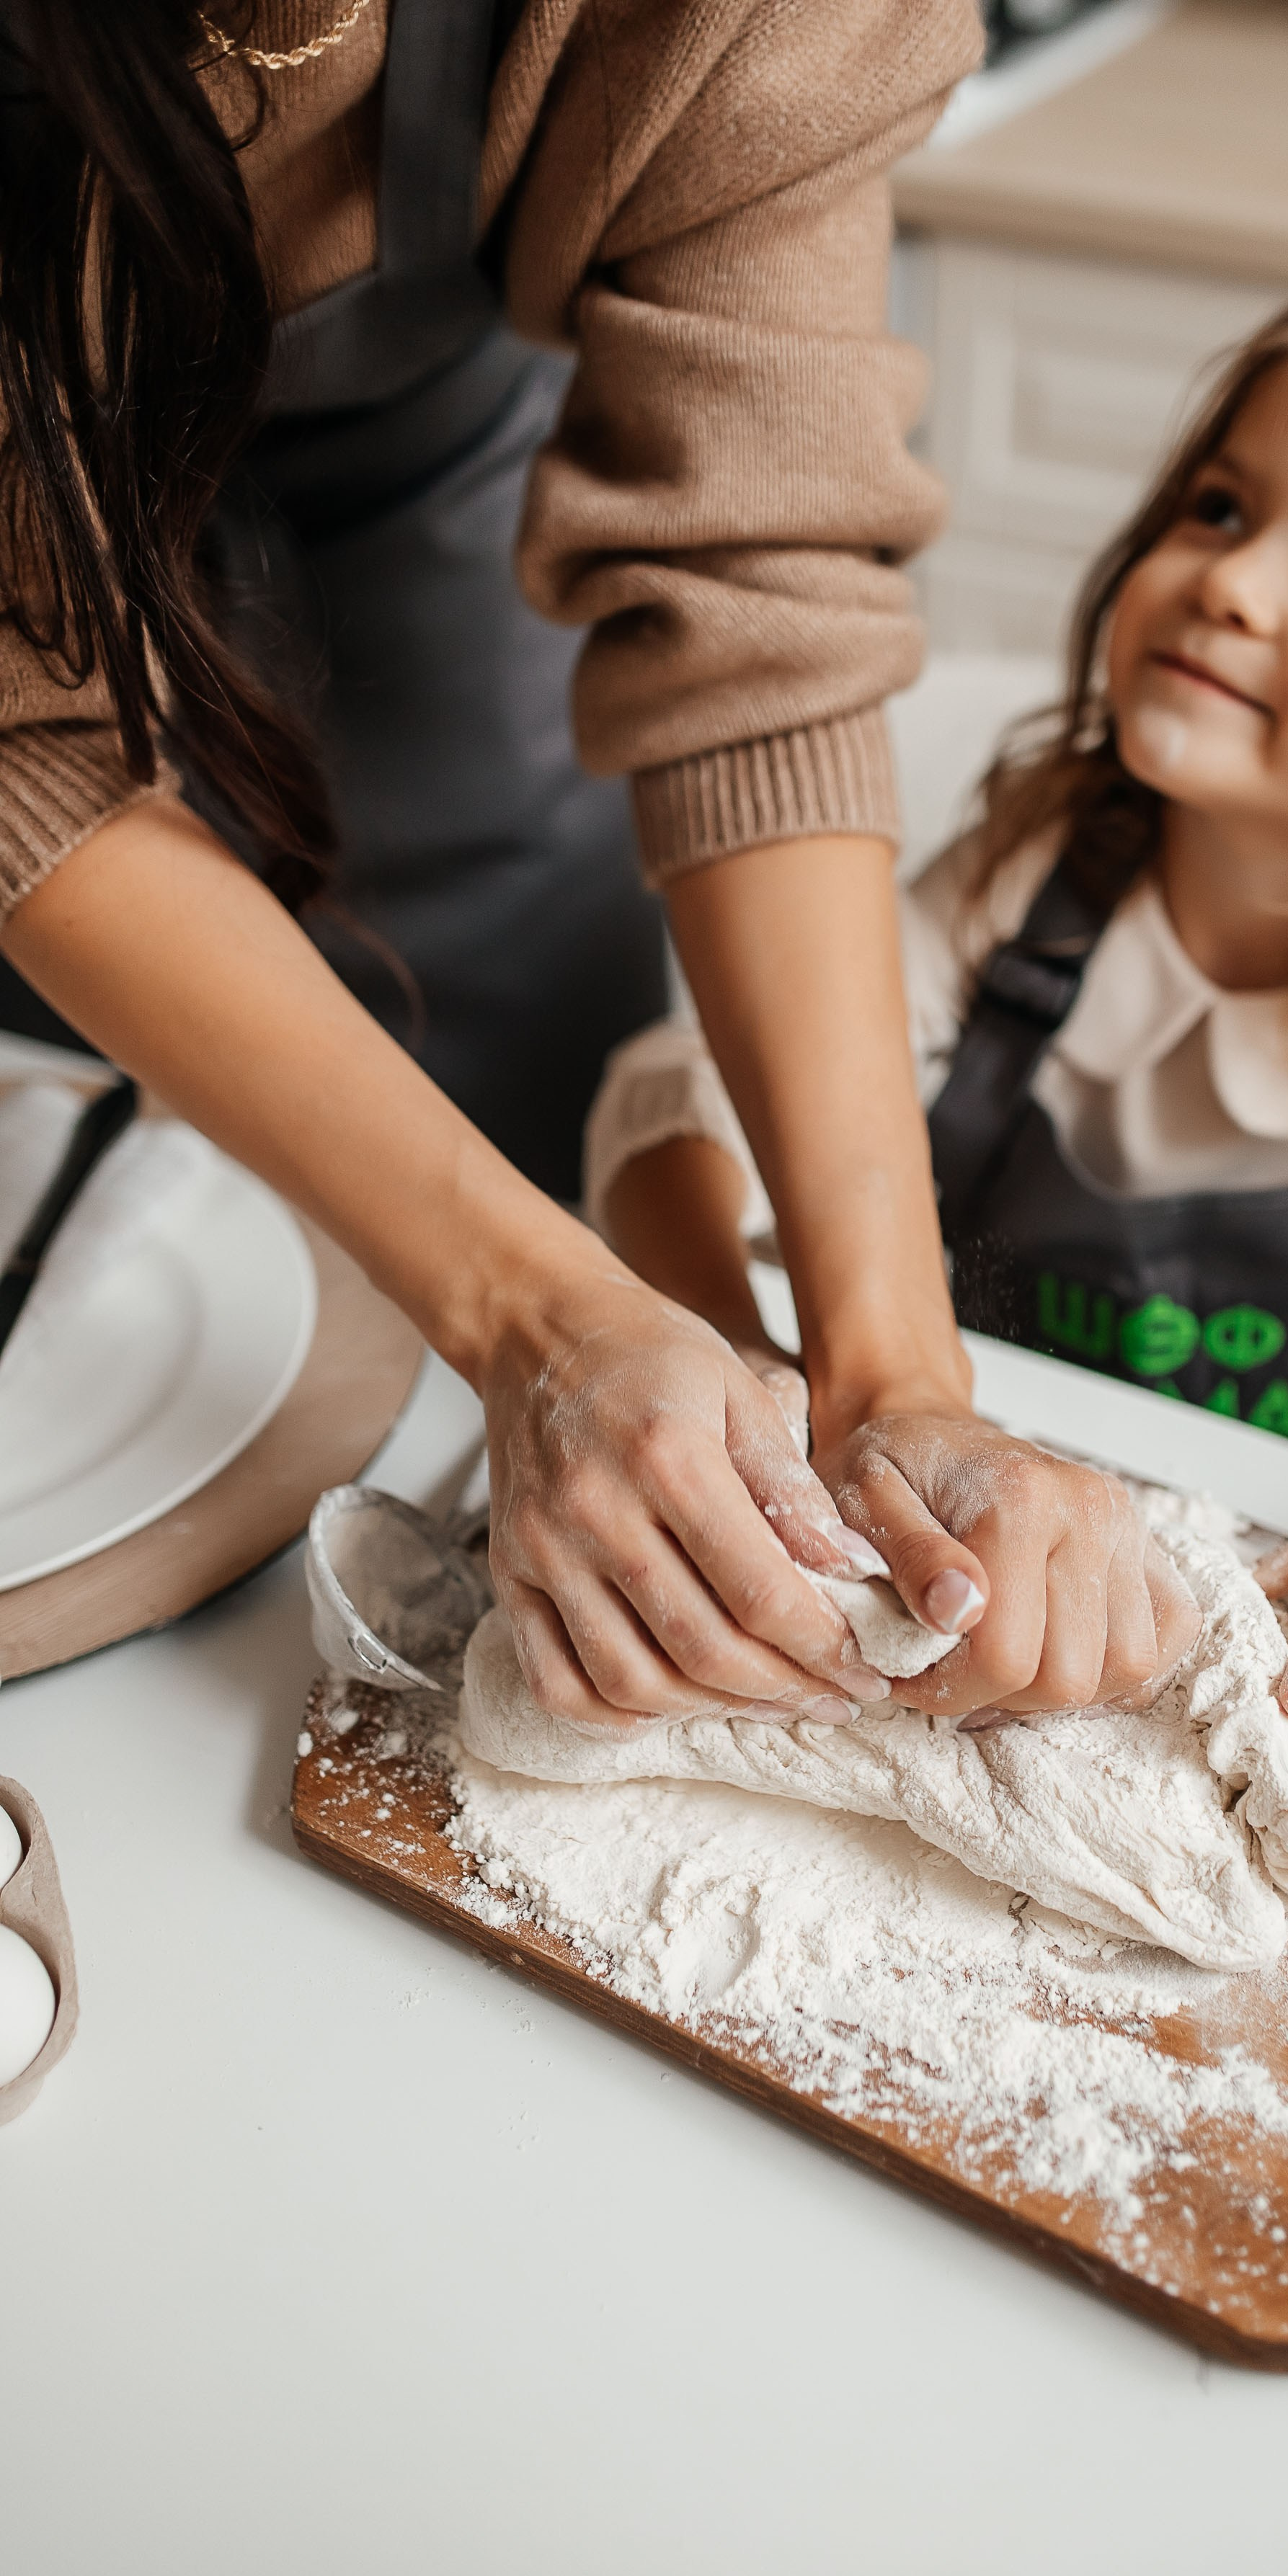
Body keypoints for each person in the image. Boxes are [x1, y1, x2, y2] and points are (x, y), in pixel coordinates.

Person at [0, 1, 1201, 1737]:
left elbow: (756, 592)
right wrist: (533, 1319)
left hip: (437, 478)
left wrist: (892, 1373)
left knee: (538, 1242)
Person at [584, 272, 1288, 1806]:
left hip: (1270, 1677)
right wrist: (744, 1368)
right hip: (960, 1601)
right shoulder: (1026, 887)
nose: (1234, 584)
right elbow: (679, 1104)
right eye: (1215, 506)